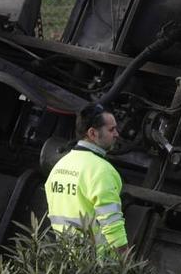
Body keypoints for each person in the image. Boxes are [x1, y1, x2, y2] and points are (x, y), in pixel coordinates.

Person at [45, 103, 127, 253]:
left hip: (67, 257)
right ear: (92, 133)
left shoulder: (59, 166)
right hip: (98, 262)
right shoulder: (102, 171)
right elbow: (112, 223)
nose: (117, 134)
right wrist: (125, 259)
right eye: (111, 129)